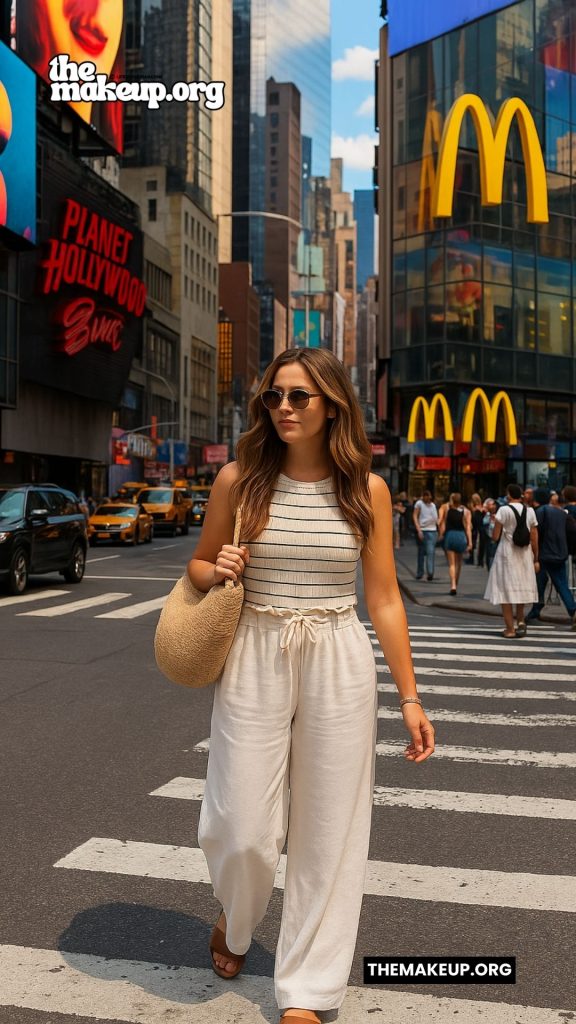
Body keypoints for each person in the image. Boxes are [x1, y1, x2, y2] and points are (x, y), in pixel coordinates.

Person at [187, 347, 435, 1024]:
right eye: (274, 397)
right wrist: (222, 566)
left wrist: (410, 696)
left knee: (330, 828)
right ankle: (237, 922)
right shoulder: (241, 479)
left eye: (299, 396)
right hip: (255, 650)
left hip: (336, 652)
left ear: (332, 405)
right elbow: (200, 565)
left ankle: (307, 989)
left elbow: (383, 598)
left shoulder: (368, 490)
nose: (285, 408)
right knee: (240, 826)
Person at [483, 483, 539, 637]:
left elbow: (495, 536)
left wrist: (494, 524)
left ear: (508, 495)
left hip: (507, 554)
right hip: (525, 554)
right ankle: (520, 620)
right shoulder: (530, 511)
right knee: (520, 587)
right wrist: (536, 558)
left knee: (505, 590)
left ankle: (510, 629)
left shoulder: (504, 510)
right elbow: (534, 536)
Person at [525, 488, 576, 629]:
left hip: (543, 554)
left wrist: (535, 556)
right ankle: (573, 611)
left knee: (540, 584)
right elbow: (572, 530)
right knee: (562, 584)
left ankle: (535, 611)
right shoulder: (561, 512)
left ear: (535, 499)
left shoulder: (539, 513)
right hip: (560, 553)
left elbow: (534, 535)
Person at [438, 492, 472, 594]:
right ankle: (456, 583)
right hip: (461, 536)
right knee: (459, 563)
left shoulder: (447, 509)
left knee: (451, 564)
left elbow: (442, 522)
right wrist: (470, 542)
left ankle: (452, 585)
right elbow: (468, 528)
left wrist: (441, 534)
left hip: (450, 536)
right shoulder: (466, 511)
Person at [413, 490, 439, 580]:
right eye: (426, 496)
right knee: (421, 552)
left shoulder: (433, 505)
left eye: (429, 496)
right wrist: (418, 529)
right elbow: (415, 516)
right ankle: (420, 572)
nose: (428, 498)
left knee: (430, 552)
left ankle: (430, 572)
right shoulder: (419, 504)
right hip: (423, 530)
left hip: (432, 530)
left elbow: (436, 518)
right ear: (423, 496)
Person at [467, 493, 485, 566]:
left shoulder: (474, 509)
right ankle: (480, 560)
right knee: (480, 544)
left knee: (474, 542)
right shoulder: (482, 507)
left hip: (475, 527)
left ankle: (474, 559)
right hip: (481, 527)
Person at [482, 498, 499, 570]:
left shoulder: (499, 514)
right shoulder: (487, 515)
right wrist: (491, 520)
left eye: (493, 505)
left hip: (497, 539)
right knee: (490, 556)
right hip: (489, 539)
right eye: (490, 505)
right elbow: (484, 523)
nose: (492, 506)